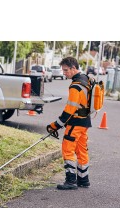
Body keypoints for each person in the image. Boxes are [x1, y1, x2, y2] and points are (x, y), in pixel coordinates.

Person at [47, 57, 92, 190]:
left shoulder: (75, 86)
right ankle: (84, 180)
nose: (64, 73)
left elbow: (69, 109)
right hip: (85, 123)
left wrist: (55, 125)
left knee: (68, 150)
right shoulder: (86, 79)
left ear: (73, 68)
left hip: (75, 123)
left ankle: (71, 181)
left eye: (66, 70)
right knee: (81, 150)